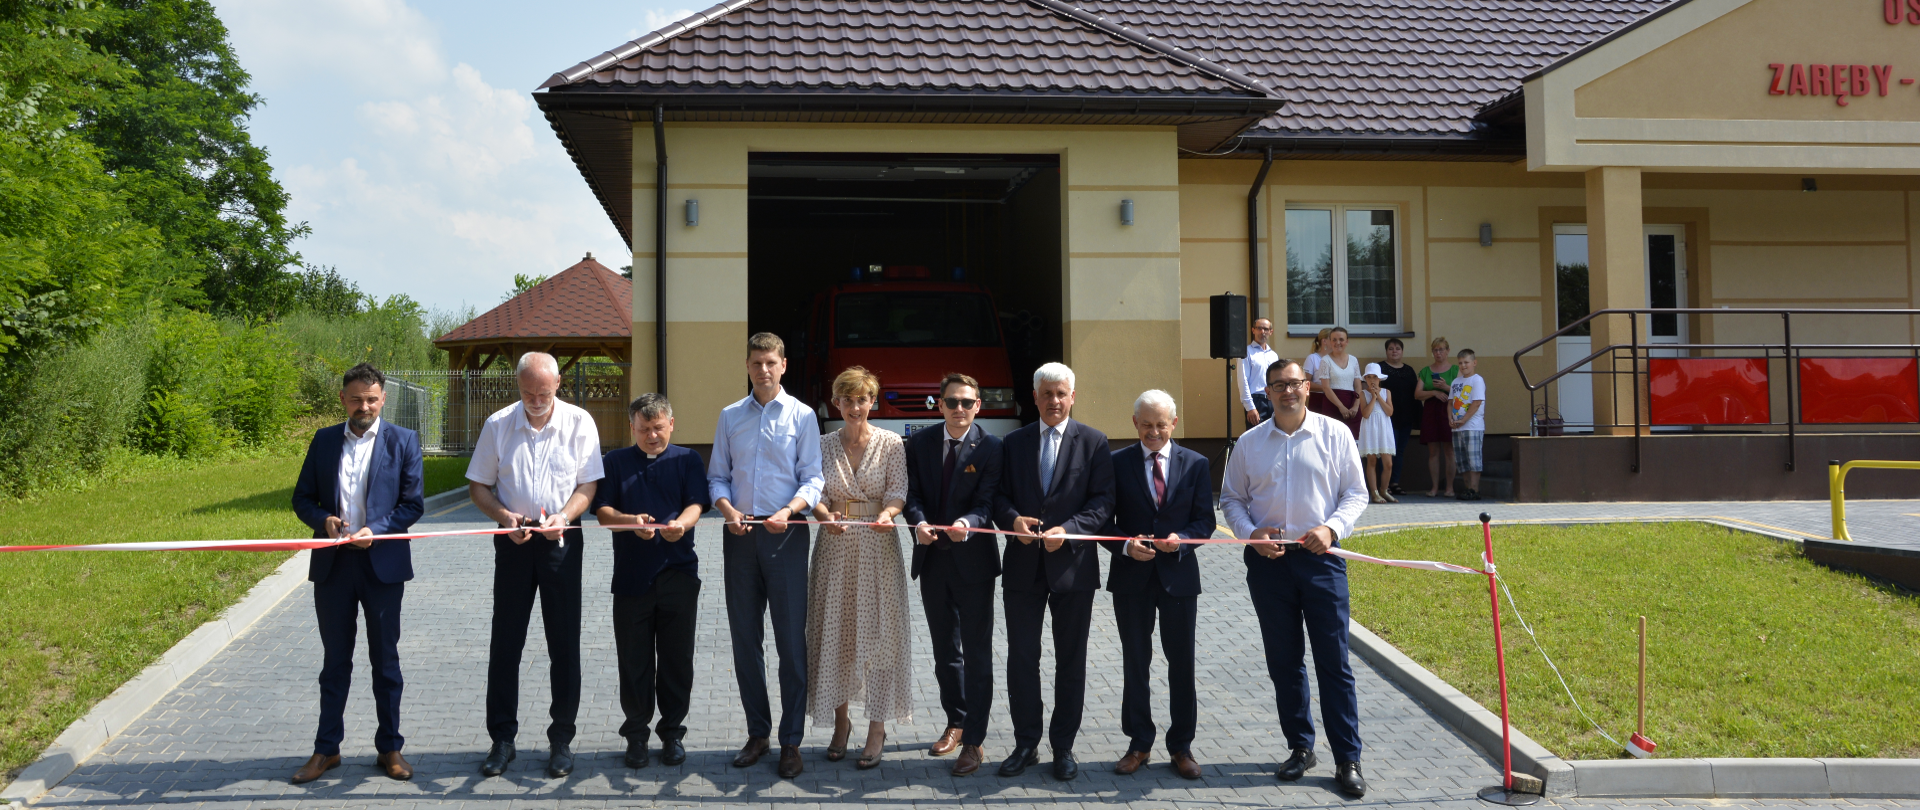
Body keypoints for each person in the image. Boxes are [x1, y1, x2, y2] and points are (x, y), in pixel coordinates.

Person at [1221, 358, 1371, 798]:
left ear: (1308, 387)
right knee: (1284, 662)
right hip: (1269, 564)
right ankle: (1300, 746)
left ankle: (1348, 758)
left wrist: (1331, 528)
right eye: (1278, 385)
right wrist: (1250, 535)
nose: (1288, 391)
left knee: (1333, 663)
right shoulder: (1249, 443)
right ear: (1267, 393)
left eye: (1295, 383)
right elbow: (1231, 499)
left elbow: (1356, 493)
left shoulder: (1335, 433)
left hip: (1321, 559)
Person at [467, 352, 604, 779]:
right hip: (512, 540)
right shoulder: (498, 424)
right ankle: (502, 739)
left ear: (558, 383)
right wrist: (503, 517)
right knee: (505, 642)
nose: (535, 400)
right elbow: (478, 486)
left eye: (543, 392)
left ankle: (561, 739)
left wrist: (565, 515)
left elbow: (589, 484)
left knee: (563, 643)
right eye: (527, 392)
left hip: (561, 539)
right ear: (518, 386)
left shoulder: (580, 423)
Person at [289, 363, 425, 784]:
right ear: (343, 399)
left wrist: (376, 530)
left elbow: (412, 504)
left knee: (385, 661)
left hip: (382, 565)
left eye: (371, 398)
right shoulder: (325, 440)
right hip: (334, 565)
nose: (363, 405)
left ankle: (390, 748)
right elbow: (302, 499)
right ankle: (326, 749)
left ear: (383, 399)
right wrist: (324, 520)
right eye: (355, 398)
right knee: (335, 661)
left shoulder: (403, 440)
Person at [708, 332, 824, 779]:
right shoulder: (730, 416)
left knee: (792, 645)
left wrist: (788, 511)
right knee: (744, 641)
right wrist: (728, 510)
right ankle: (757, 732)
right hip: (739, 535)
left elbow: (813, 480)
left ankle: (790, 741)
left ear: (784, 365)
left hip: (786, 534)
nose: (763, 370)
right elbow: (717, 477)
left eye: (770, 362)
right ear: (747, 366)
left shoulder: (803, 416)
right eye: (756, 363)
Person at [993, 362, 1115, 781]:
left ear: (1073, 396)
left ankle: (1063, 746)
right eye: (1047, 394)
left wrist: (1074, 530)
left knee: (1071, 659)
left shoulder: (1095, 442)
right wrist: (1012, 521)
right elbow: (998, 496)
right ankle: (1026, 742)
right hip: (1023, 566)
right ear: (1035, 397)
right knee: (1022, 657)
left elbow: (1103, 502)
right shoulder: (1012, 442)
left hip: (1073, 568)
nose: (1055, 401)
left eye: (1062, 393)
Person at [592, 393, 708, 770]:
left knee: (677, 660)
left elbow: (697, 504)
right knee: (634, 661)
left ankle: (672, 733)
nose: (652, 436)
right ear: (632, 428)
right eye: (644, 429)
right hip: (631, 577)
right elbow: (604, 513)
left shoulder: (688, 459)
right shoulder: (615, 462)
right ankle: (637, 736)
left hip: (678, 573)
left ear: (671, 424)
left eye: (658, 428)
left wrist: (682, 524)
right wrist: (630, 523)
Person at [1101, 390, 1213, 781]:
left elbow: (1205, 523)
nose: (1153, 432)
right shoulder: (1115, 463)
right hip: (1132, 578)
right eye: (1146, 424)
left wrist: (1183, 540)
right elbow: (1102, 522)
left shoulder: (1196, 464)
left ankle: (1181, 746)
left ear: (1173, 424)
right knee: (1136, 662)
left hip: (1178, 578)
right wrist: (1125, 546)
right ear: (1134, 423)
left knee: (1181, 664)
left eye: (1160, 425)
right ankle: (1139, 743)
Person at [807, 366, 913, 769]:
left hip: (878, 547)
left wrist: (888, 513)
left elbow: (899, 491)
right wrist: (821, 514)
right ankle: (840, 723)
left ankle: (876, 728)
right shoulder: (822, 444)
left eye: (862, 399)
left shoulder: (891, 444)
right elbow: (811, 488)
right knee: (835, 636)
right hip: (834, 549)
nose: (855, 406)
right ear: (837, 403)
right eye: (847, 399)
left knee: (882, 638)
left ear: (873, 401)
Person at [903, 372, 1004, 776]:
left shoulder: (993, 446)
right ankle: (956, 722)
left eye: (967, 402)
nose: (959, 409)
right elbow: (911, 495)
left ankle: (974, 741)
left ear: (978, 405)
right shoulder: (921, 443)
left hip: (974, 561)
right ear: (939, 404)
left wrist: (969, 520)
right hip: (933, 559)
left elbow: (989, 499)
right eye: (951, 402)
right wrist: (918, 523)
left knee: (978, 652)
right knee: (946, 650)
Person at [1417, 337, 1459, 498]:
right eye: (1435, 350)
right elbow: (1417, 393)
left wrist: (1446, 388)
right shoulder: (1426, 371)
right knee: (1433, 451)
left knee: (1450, 450)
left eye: (1441, 349)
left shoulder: (1456, 370)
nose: (1438, 353)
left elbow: (1463, 393)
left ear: (1448, 351)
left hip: (1449, 410)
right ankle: (1434, 487)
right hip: (1431, 410)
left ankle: (1449, 487)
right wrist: (1434, 392)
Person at [1378, 339, 1420, 497]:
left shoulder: (1409, 370)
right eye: (1390, 349)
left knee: (1400, 451)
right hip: (1387, 416)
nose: (1394, 351)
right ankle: (1385, 485)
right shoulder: (1380, 368)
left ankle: (1395, 483)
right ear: (1386, 351)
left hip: (1406, 417)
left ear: (1402, 351)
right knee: (1387, 451)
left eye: (1397, 348)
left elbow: (1414, 394)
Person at [1448, 350, 1487, 502]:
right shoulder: (1456, 382)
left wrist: (1463, 420)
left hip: (1473, 426)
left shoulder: (1477, 380)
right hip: (1457, 427)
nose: (1463, 365)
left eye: (1466, 362)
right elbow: (1450, 402)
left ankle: (1474, 489)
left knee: (1473, 458)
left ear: (1474, 363)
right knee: (1461, 459)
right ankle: (1467, 488)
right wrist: (1450, 418)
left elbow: (1477, 402)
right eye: (1460, 363)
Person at [1357, 364, 1396, 504]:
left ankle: (1384, 490)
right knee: (1372, 461)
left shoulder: (1386, 392)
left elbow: (1389, 412)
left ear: (1380, 378)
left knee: (1388, 463)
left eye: (1375, 377)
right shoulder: (1363, 393)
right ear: (1365, 379)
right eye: (1369, 377)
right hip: (1370, 428)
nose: (1372, 380)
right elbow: (1365, 414)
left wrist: (1379, 396)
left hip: (1384, 429)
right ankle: (1373, 493)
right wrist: (1373, 397)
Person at [1313, 326, 1362, 437]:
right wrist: (1341, 407)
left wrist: (1356, 405)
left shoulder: (1353, 360)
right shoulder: (1325, 360)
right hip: (1332, 405)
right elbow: (1326, 388)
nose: (1337, 343)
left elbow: (1358, 385)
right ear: (1330, 342)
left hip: (1352, 405)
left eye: (1341, 339)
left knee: (1353, 439)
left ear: (1347, 342)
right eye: (1334, 339)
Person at [1240, 318, 1280, 428]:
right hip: (1256, 401)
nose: (1262, 332)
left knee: (1274, 437)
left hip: (1273, 401)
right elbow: (1243, 380)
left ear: (1271, 332)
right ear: (1253, 330)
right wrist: (1250, 407)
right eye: (1259, 328)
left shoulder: (1273, 355)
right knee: (1256, 439)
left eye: (1266, 329)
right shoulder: (1246, 352)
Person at [1303, 328, 1332, 417]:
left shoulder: (1337, 359)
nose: (1337, 342)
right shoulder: (1312, 358)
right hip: (1319, 399)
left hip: (1336, 399)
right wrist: (1326, 388)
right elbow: (1305, 382)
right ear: (1324, 341)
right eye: (1333, 339)